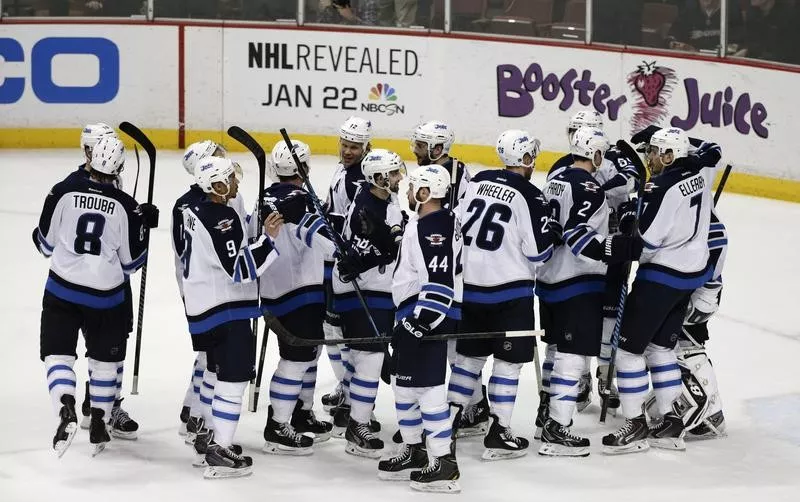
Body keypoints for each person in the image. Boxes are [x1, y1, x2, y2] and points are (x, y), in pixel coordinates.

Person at [34, 136, 158, 457]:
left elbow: (44, 245)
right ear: (118, 167)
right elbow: (132, 263)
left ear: (89, 161)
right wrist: (142, 226)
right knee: (105, 361)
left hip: (62, 290)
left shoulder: (61, 191)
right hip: (106, 298)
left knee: (58, 355)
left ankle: (65, 406)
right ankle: (101, 418)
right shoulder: (126, 206)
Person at [602, 127, 721, 455]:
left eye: (655, 151)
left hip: (660, 278)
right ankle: (671, 423)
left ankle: (635, 424)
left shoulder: (661, 186)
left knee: (628, 351)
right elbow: (713, 150)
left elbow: (646, 242)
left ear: (670, 156)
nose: (649, 157)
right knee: (660, 349)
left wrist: (616, 238)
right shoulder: (699, 170)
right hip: (687, 278)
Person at [448, 130, 556, 461]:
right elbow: (539, 254)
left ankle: (447, 425)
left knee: (468, 360)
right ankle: (500, 429)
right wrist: (551, 231)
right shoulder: (532, 196)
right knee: (508, 364)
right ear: (525, 159)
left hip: (469, 289)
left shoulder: (478, 181)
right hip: (509, 294)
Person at [181, 156, 284, 478]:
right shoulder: (221, 217)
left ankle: (208, 437)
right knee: (234, 378)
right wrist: (268, 240)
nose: (236, 183)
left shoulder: (193, 210)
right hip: (225, 309)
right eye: (230, 179)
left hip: (203, 308)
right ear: (217, 186)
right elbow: (238, 270)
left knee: (214, 372)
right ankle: (220, 449)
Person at [537, 126, 636, 456]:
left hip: (548, 278)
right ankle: (559, 428)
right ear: (595, 153)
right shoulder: (591, 188)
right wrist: (617, 247)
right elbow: (577, 237)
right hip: (576, 283)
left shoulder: (556, 177)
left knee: (556, 352)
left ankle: (546, 418)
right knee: (572, 357)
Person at [378, 164, 462, 492]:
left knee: (428, 390)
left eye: (414, 186)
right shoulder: (429, 222)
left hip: (426, 317)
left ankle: (443, 463)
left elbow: (440, 284)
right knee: (404, 385)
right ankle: (414, 449)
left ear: (425, 193)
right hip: (413, 314)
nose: (409, 190)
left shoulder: (433, 228)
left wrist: (418, 324)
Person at [260, 140, 336, 455]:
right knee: (296, 360)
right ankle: (278, 425)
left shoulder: (260, 198)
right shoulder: (305, 201)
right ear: (304, 168)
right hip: (300, 293)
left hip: (274, 291)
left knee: (307, 354)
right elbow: (329, 247)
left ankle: (300, 412)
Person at [410, 120, 485, 437]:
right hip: (435, 258)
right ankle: (476, 406)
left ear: (438, 148)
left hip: (449, 263)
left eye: (421, 145)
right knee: (450, 343)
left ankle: (473, 407)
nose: (415, 150)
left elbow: (459, 222)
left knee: (450, 341)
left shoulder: (457, 175)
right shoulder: (434, 174)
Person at [333, 149, 406, 458]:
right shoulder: (368, 205)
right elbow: (366, 253)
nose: (399, 177)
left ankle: (349, 409)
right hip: (364, 289)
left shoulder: (382, 198)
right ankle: (357, 424)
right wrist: (384, 248)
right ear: (378, 178)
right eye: (393, 174)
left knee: (363, 357)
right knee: (371, 358)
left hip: (374, 288)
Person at [72, 123, 140, 440]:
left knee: (117, 341)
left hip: (115, 278)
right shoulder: (73, 185)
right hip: (84, 282)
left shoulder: (111, 177)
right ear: (89, 149)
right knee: (98, 346)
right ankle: (97, 405)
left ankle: (108, 403)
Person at [172, 140, 238, 445]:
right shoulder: (210, 206)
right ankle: (200, 414)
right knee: (215, 357)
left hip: (196, 286)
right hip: (212, 288)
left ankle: (192, 407)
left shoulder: (191, 202)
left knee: (208, 354)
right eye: (216, 158)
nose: (224, 160)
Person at [321, 116, 373, 416]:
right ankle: (346, 385)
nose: (348, 150)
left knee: (343, 330)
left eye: (354, 146)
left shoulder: (361, 178)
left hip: (349, 264)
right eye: (345, 144)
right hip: (334, 260)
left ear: (366, 147)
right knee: (332, 327)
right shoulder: (344, 170)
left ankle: (354, 393)